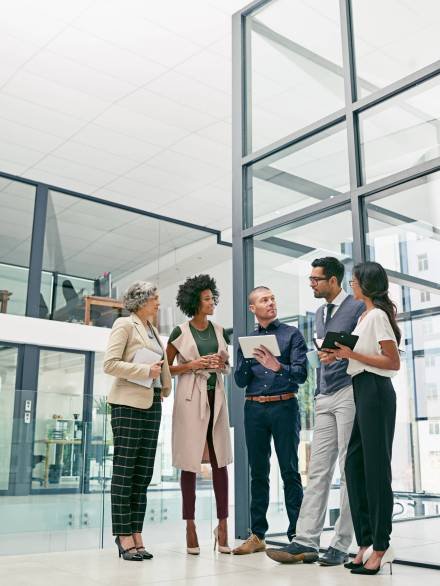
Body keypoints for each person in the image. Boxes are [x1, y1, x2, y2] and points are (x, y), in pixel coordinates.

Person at [266, 257, 364, 565]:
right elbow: (322, 352)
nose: (311, 283)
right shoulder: (320, 312)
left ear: (333, 281)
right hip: (324, 394)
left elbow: (363, 349)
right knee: (319, 468)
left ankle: (341, 544)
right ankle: (306, 541)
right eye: (310, 279)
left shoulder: (358, 309)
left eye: (316, 279)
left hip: (350, 390)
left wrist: (340, 356)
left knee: (349, 469)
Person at [331, 261, 400, 575]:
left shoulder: (377, 316)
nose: (351, 284)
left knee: (375, 469)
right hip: (362, 389)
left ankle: (381, 547)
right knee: (354, 466)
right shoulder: (364, 317)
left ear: (365, 284)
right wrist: (338, 353)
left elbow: (392, 362)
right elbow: (363, 354)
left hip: (376, 391)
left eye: (354, 280)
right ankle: (365, 543)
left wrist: (351, 354)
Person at [233, 286, 308, 554]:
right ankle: (257, 535)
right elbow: (241, 381)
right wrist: (244, 361)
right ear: (253, 308)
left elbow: (301, 374)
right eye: (264, 300)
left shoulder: (292, 335)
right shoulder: (246, 341)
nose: (271, 302)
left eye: (273, 298)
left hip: (284, 406)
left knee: (289, 470)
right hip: (253, 410)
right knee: (258, 473)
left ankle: (298, 535)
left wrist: (278, 366)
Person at [103, 281, 171, 561]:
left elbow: (162, 364)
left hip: (152, 403)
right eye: (155, 298)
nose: (158, 302)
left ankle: (137, 533)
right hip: (127, 405)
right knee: (125, 472)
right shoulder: (124, 325)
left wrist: (164, 387)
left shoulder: (153, 329)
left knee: (143, 474)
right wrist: (145, 370)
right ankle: (123, 535)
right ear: (142, 300)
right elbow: (110, 363)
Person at [166, 274, 233, 555]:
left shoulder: (220, 330)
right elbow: (165, 369)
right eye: (206, 299)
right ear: (195, 302)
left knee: (220, 460)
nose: (211, 302)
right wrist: (192, 364)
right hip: (189, 399)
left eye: (212, 297)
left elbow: (226, 361)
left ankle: (223, 525)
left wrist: (221, 361)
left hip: (216, 395)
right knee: (189, 461)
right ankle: (190, 525)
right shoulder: (179, 332)